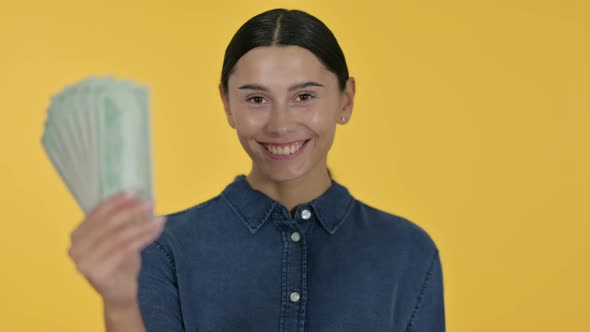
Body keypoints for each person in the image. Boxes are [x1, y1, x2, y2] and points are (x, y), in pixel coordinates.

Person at [68, 8, 445, 332]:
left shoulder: (408, 251)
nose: (280, 124)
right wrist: (119, 306)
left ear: (345, 100)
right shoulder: (163, 249)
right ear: (227, 104)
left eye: (304, 97)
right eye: (257, 99)